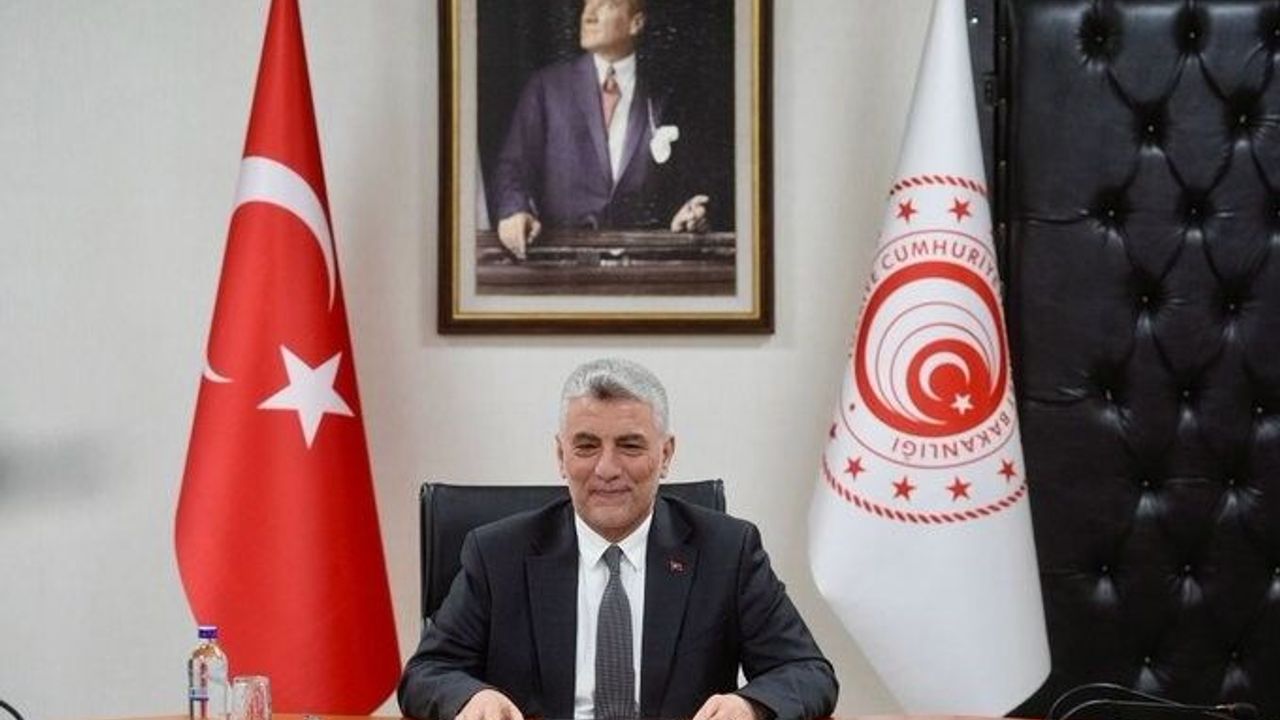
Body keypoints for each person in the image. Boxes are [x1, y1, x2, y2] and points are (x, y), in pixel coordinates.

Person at [398, 358, 838, 720]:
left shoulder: (727, 550)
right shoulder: (498, 553)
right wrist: (472, 697)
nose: (606, 469)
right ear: (561, 456)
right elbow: (427, 672)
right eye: (586, 446)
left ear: (665, 455)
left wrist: (750, 706)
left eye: (629, 446)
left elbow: (807, 671)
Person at [492, 0, 715, 259]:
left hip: (645, 268)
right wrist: (514, 210)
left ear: (636, 23)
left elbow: (690, 184)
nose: (588, 15)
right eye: (587, 3)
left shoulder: (667, 93)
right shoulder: (546, 87)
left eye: (606, 4)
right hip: (562, 266)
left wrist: (688, 213)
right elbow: (513, 168)